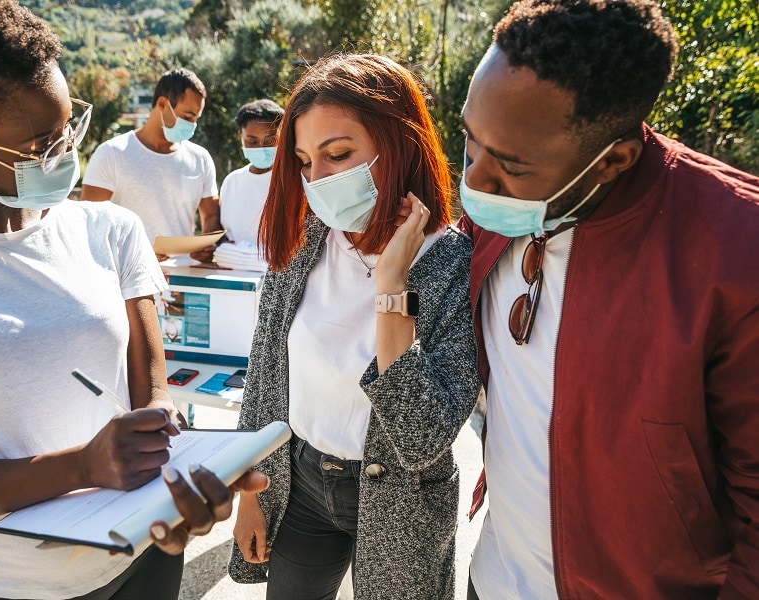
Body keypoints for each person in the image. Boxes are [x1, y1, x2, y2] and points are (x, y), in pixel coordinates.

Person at [0, 2, 266, 599]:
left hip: (146, 555)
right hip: (16, 581)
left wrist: (178, 489)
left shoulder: (112, 230)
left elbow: (152, 402)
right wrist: (81, 467)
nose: (65, 156)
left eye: (68, 129)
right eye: (39, 143)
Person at [457, 1, 759, 598]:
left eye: (511, 167)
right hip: (493, 576)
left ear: (613, 159)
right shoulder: (498, 208)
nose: (474, 181)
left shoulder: (738, 253)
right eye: (469, 143)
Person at [228, 53, 481, 599]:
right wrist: (249, 490)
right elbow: (266, 371)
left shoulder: (452, 263)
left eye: (337, 155)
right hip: (301, 482)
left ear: (396, 146)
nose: (316, 180)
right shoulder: (305, 243)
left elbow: (421, 438)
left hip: (401, 502)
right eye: (302, 160)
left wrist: (392, 285)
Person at [81, 68, 220, 262]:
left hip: (184, 282)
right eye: (188, 117)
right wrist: (137, 254)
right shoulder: (112, 154)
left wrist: (206, 246)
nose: (192, 125)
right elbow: (88, 224)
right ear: (163, 104)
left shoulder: (200, 158)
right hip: (128, 283)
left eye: (196, 118)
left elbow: (212, 215)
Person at [218, 99, 284, 246]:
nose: (261, 148)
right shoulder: (232, 182)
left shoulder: (291, 180)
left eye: (270, 141)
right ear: (240, 135)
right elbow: (224, 234)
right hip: (235, 267)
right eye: (252, 141)